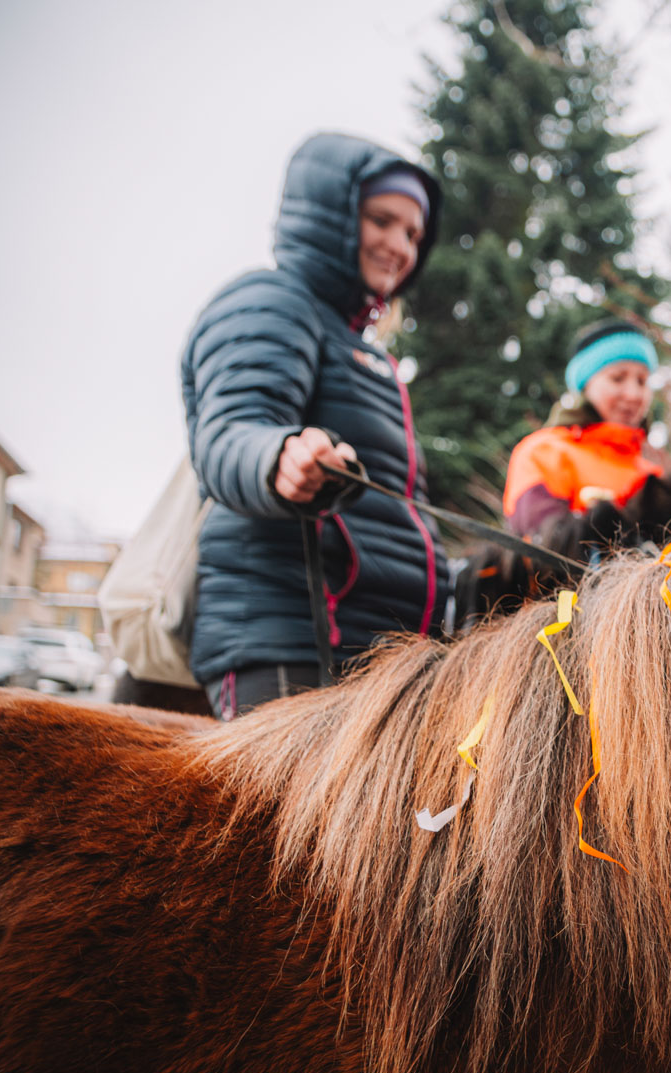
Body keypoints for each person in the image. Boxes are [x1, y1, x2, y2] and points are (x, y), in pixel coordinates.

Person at [183, 133, 444, 720]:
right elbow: (228, 432)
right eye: (383, 220)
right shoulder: (272, 300)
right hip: (285, 644)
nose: (400, 246)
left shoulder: (367, 354)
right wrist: (280, 457)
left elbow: (400, 514)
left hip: (375, 656)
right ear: (332, 215)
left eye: (413, 234)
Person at [502, 318, 663, 538]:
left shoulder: (653, 476)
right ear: (585, 385)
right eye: (617, 378)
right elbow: (537, 544)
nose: (633, 394)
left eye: (642, 381)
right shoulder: (544, 453)